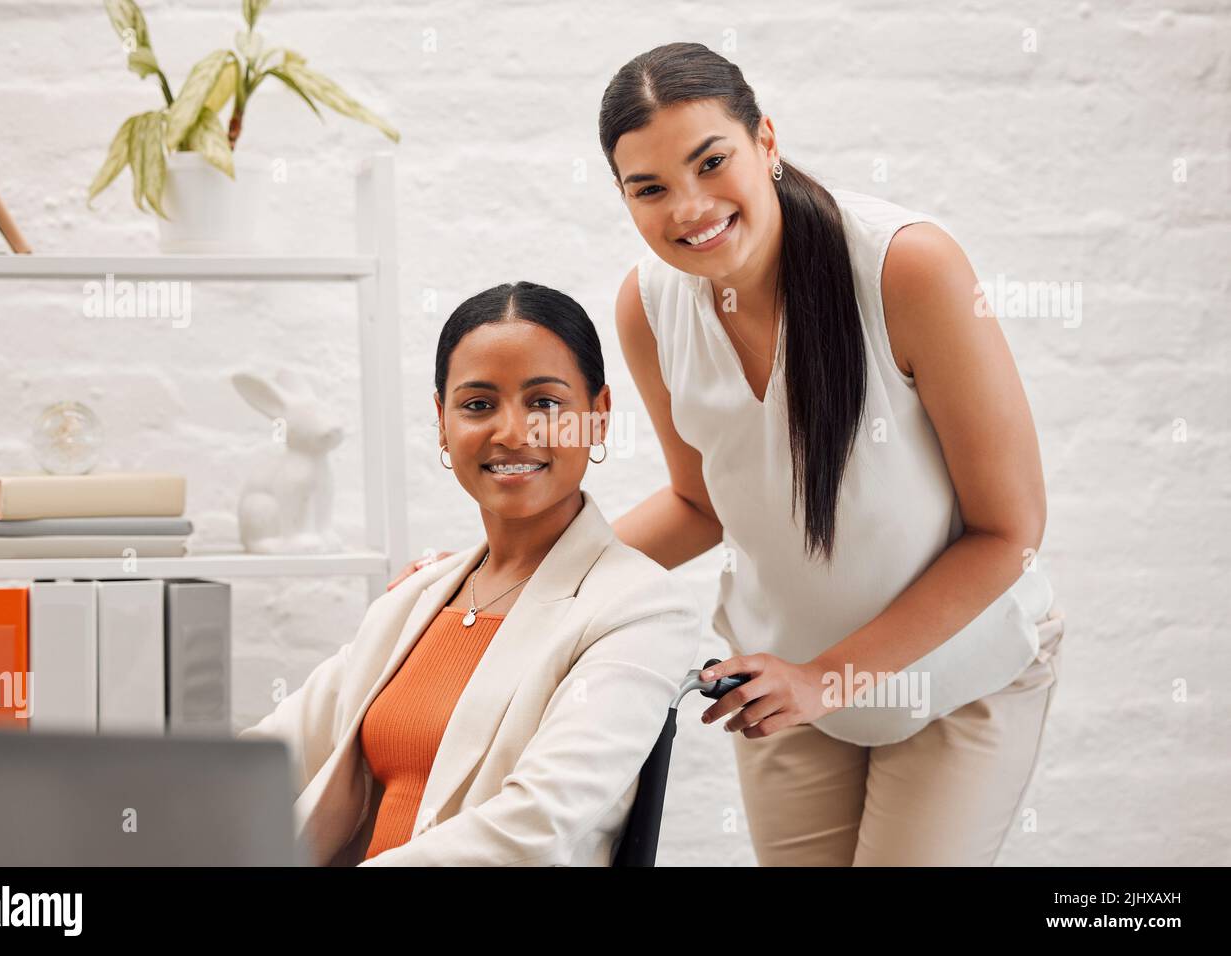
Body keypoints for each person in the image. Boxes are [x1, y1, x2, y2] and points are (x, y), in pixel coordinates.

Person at [393, 42, 1066, 867]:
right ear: (623, 196)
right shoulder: (648, 305)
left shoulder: (907, 268)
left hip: (958, 675)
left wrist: (827, 677)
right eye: (650, 189)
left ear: (767, 142)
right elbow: (696, 506)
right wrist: (503, 578)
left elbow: (1010, 531)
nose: (689, 208)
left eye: (712, 162)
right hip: (785, 689)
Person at [241, 281, 700, 866]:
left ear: (598, 417)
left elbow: (536, 824)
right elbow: (262, 761)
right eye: (478, 404)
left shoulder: (640, 608)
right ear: (442, 421)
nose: (512, 432)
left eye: (546, 402)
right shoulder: (416, 600)